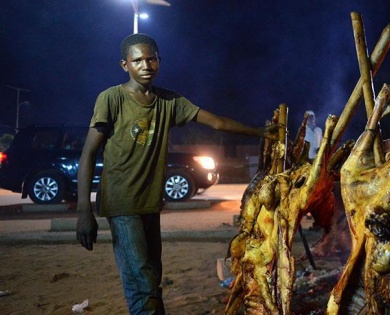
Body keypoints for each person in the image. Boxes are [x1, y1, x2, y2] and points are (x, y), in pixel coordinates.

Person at [76, 33, 278, 314]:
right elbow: (88, 154)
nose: (146, 65)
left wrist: (260, 132)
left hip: (150, 202)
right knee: (141, 282)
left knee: (152, 277)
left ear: (159, 61)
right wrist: (84, 211)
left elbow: (216, 122)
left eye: (151, 59)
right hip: (122, 203)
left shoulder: (169, 101)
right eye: (137, 60)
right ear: (125, 65)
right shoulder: (111, 99)